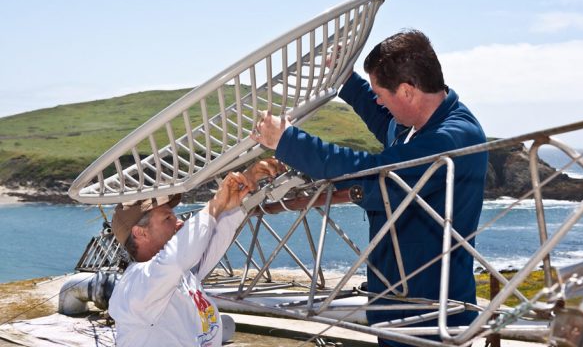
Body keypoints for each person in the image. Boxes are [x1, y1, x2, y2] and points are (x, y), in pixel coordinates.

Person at [252, 30, 488, 346]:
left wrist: (287, 141)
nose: (377, 99)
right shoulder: (418, 127)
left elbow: (365, 171)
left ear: (407, 91)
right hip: (397, 306)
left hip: (430, 318)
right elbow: (384, 118)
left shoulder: (448, 139)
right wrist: (348, 81)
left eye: (381, 92)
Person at [108, 158, 282, 347]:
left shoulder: (182, 275)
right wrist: (216, 203)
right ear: (140, 232)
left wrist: (247, 185)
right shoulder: (136, 285)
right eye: (167, 218)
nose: (180, 222)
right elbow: (177, 258)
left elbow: (217, 233)